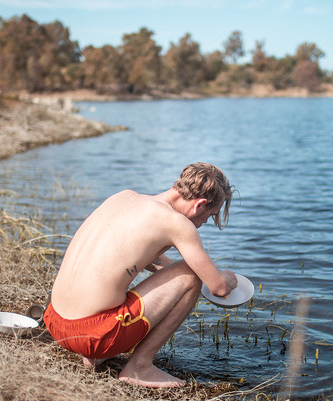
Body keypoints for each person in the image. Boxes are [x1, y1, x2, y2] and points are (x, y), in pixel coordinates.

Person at [45, 162, 237, 388]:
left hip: (56, 323)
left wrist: (170, 278)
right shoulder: (177, 223)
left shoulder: (124, 197)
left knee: (182, 272)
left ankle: (97, 356)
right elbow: (218, 288)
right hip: (92, 336)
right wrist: (228, 278)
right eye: (209, 216)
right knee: (192, 274)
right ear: (200, 204)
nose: (204, 223)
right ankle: (140, 367)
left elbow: (130, 254)